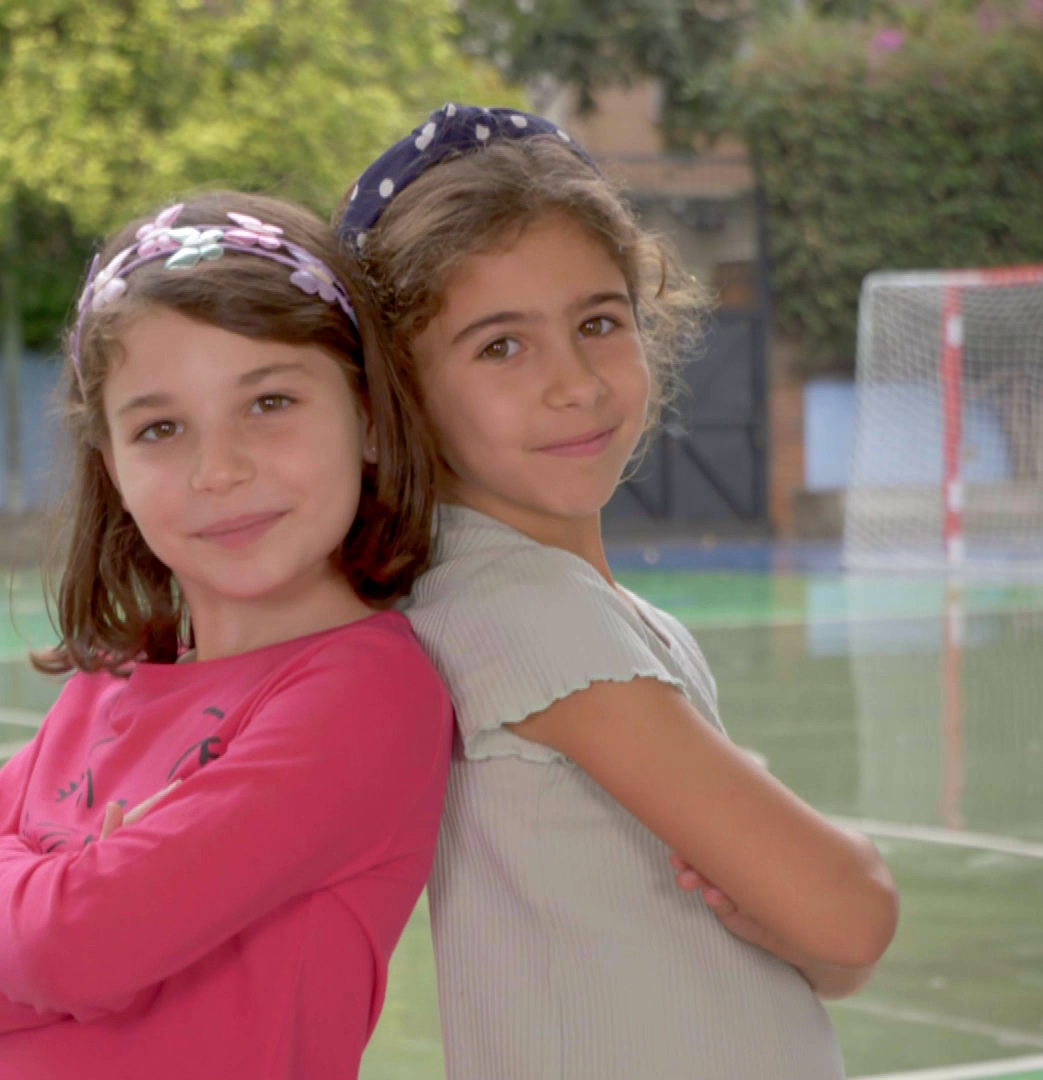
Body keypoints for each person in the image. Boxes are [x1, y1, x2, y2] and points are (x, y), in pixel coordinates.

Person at [338, 104, 901, 1079]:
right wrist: (835, 892)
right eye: (501, 346)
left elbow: (830, 957)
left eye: (597, 322)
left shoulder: (563, 609)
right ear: (399, 397)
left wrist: (811, 919)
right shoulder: (527, 614)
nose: (577, 384)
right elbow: (852, 914)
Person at [0, 191, 453, 1080]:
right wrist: (64, 899)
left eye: (270, 401)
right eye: (160, 428)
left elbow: (76, 946)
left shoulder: (365, 693)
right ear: (113, 468)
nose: (219, 470)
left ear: (367, 418)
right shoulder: (102, 691)